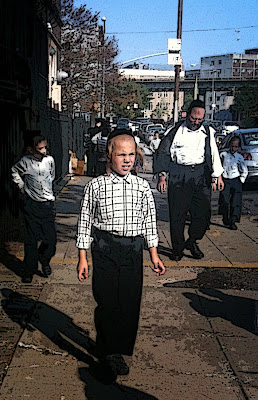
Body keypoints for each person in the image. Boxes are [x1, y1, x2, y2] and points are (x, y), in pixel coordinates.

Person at [76, 129, 165, 379]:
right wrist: (83, 257)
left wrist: (154, 254)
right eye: (121, 154)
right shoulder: (96, 186)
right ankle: (108, 353)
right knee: (107, 303)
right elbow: (85, 222)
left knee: (128, 303)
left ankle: (119, 349)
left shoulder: (142, 187)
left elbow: (149, 221)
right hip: (105, 247)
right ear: (109, 156)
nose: (127, 160)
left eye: (131, 155)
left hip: (133, 250)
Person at [154, 100, 224, 261]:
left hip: (200, 175)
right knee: (177, 215)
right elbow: (163, 153)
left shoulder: (208, 131)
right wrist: (162, 177)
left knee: (203, 215)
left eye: (200, 120)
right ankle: (177, 249)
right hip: (179, 174)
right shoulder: (176, 130)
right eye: (193, 119)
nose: (196, 122)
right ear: (187, 114)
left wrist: (217, 175)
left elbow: (214, 153)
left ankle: (192, 241)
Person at [11, 132, 56, 283]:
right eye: (40, 149)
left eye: (45, 147)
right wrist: (21, 185)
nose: (44, 151)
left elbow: (52, 176)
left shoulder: (49, 160)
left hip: (47, 204)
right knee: (31, 239)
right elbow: (14, 171)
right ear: (31, 150)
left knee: (50, 239)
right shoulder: (25, 162)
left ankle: (44, 259)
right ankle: (29, 270)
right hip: (32, 205)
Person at [219, 136, 248, 230]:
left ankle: (233, 220)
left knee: (236, 201)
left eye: (236, 147)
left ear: (238, 147)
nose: (233, 149)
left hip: (235, 179)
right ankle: (225, 217)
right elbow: (219, 167)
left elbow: (244, 169)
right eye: (232, 146)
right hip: (226, 180)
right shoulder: (223, 155)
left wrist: (241, 179)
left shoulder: (239, 157)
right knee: (225, 200)